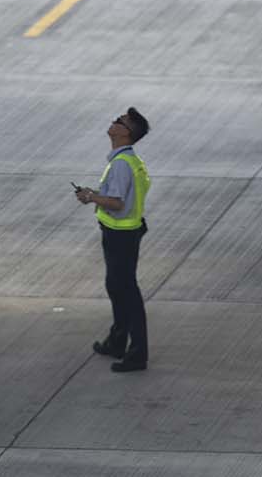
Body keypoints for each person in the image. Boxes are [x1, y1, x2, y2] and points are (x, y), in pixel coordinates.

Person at [74, 107, 151, 372]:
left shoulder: (120, 165)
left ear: (126, 134)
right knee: (117, 288)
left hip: (121, 235)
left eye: (120, 121)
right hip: (125, 231)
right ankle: (117, 340)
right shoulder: (130, 161)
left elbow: (117, 203)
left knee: (126, 292)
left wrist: (91, 197)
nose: (114, 122)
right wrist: (95, 194)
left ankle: (137, 353)